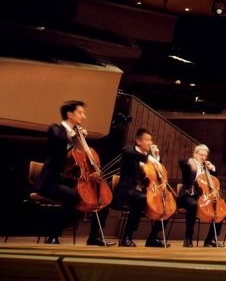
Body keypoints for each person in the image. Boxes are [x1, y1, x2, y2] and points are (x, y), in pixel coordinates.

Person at [35, 100, 111, 245]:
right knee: (73, 197)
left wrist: (93, 170)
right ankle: (53, 234)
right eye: (80, 113)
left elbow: (82, 160)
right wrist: (75, 137)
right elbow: (60, 143)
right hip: (51, 182)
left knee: (102, 200)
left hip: (70, 181)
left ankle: (94, 237)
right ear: (70, 114)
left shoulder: (75, 135)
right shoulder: (55, 129)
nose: (83, 116)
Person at [113, 128, 169, 247]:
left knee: (166, 204)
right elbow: (128, 152)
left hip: (145, 191)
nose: (150, 143)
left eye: (151, 140)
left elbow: (158, 174)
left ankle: (152, 238)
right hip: (128, 192)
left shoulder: (150, 157)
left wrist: (156, 157)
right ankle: (127, 237)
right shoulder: (129, 151)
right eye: (147, 140)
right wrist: (149, 158)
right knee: (140, 199)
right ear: (138, 141)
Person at [177, 144, 224, 247]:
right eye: (201, 155)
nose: (203, 157)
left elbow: (214, 180)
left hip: (203, 198)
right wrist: (190, 161)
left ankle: (210, 239)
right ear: (195, 154)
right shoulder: (190, 165)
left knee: (219, 210)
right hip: (188, 196)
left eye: (205, 155)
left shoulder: (206, 169)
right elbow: (181, 161)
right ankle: (188, 237)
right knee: (193, 205)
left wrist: (213, 168)